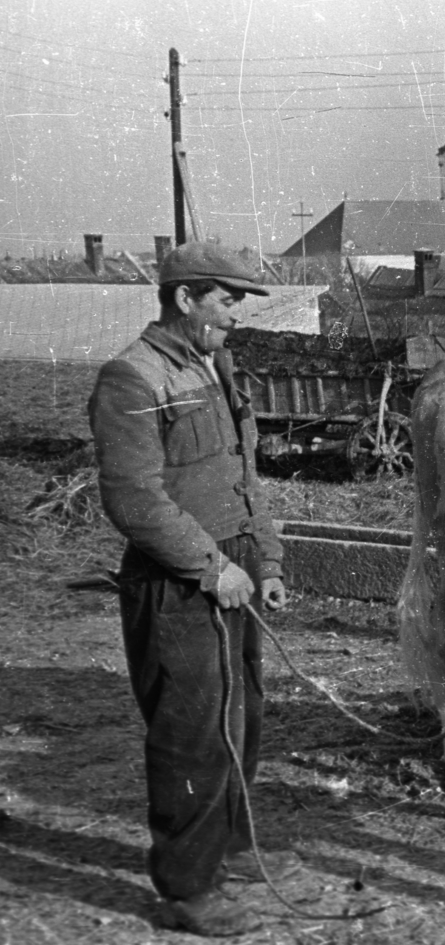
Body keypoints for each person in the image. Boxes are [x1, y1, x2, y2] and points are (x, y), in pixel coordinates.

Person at [89, 243, 302, 936]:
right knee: (192, 735)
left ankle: (228, 848)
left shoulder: (216, 368)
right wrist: (214, 569)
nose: (237, 313)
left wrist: (264, 561)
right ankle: (187, 890)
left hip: (233, 566)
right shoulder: (132, 378)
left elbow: (245, 478)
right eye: (227, 299)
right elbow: (135, 502)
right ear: (185, 299)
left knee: (242, 721)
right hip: (176, 582)